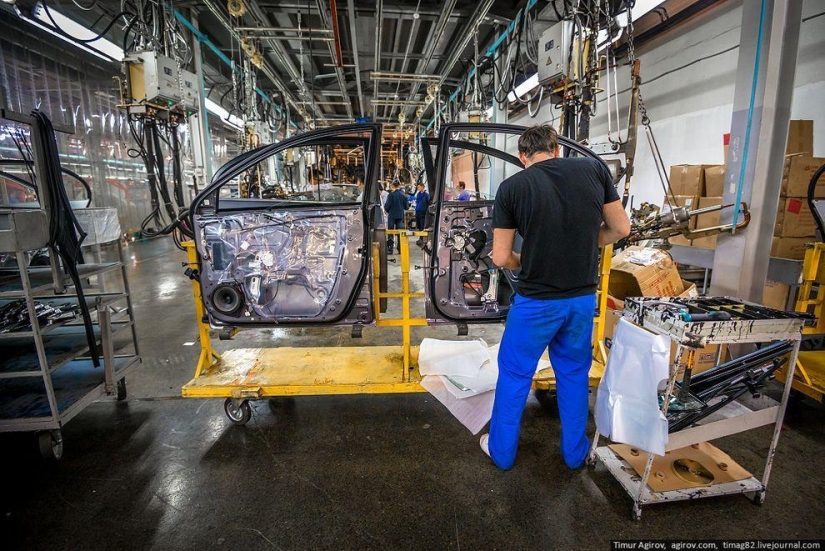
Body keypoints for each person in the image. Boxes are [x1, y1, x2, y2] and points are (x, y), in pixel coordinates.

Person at [479, 124, 630, 471]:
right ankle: (575, 455)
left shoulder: (513, 187)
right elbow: (621, 229)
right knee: (574, 374)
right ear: (557, 149)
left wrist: (525, 258)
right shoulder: (594, 169)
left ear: (522, 156)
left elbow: (501, 258)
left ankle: (501, 453)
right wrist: (583, 244)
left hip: (536, 303)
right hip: (580, 301)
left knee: (516, 375)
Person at [383, 181, 408, 254]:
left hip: (391, 216)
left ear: (393, 186)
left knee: (390, 233)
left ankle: (390, 250)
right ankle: (400, 249)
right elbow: (406, 207)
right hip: (400, 216)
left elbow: (387, 207)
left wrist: (387, 210)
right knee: (400, 233)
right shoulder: (404, 196)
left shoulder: (391, 195)